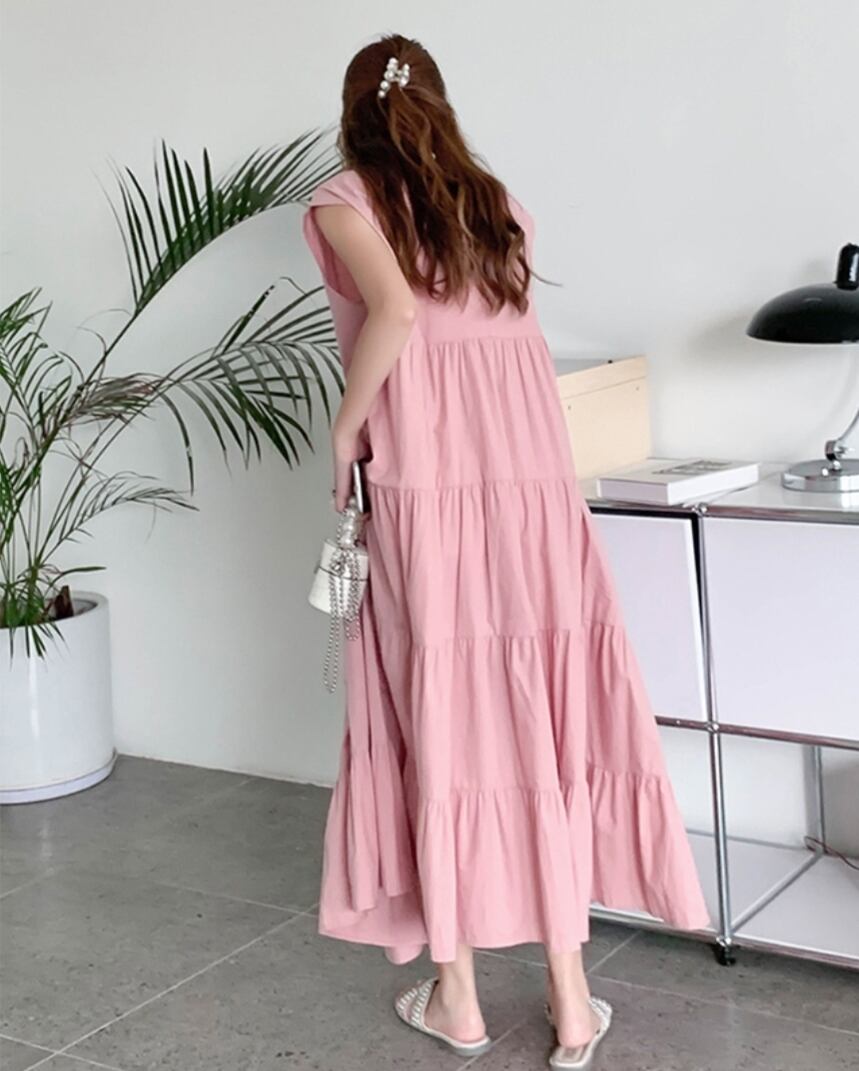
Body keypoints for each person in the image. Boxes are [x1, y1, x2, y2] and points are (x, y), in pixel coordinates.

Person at [302, 32, 712, 1070]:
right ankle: (571, 1006)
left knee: (441, 715)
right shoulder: (495, 206)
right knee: (540, 715)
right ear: (436, 104)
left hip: (431, 496)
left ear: (353, 113)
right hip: (531, 496)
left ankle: (459, 1001)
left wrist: (346, 428)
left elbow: (396, 310)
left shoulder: (345, 204)